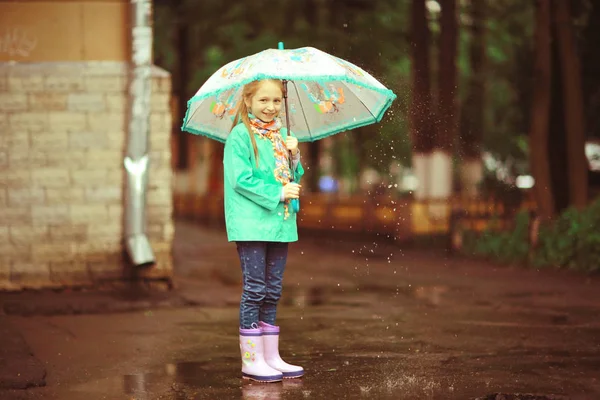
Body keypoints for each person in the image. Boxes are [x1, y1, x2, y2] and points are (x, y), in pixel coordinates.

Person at [223, 79, 305, 383]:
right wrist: (278, 193)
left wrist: (294, 155)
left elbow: (292, 177)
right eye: (263, 101)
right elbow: (240, 179)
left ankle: (271, 356)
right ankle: (252, 360)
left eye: (276, 101)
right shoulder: (240, 136)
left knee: (273, 291)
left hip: (280, 223)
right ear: (247, 101)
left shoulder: (282, 134)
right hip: (251, 224)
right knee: (255, 289)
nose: (270, 107)